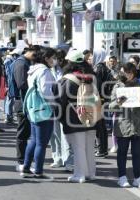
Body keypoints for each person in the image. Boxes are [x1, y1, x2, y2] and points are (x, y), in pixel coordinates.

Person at [53, 49, 97, 183]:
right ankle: (90, 173)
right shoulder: (93, 77)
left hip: (74, 118)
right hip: (92, 116)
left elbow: (59, 101)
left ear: (69, 62)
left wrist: (60, 118)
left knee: (78, 148)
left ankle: (79, 175)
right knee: (89, 147)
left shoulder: (67, 80)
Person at [109, 62, 140, 188]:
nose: (125, 75)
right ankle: (122, 177)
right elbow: (110, 106)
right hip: (123, 124)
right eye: (123, 72)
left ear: (133, 72)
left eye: (128, 72)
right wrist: (118, 102)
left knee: (137, 153)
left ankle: (138, 178)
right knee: (122, 152)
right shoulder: (118, 86)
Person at [20, 47, 56, 179]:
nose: (54, 60)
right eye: (53, 57)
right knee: (41, 143)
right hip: (44, 109)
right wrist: (54, 103)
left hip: (33, 109)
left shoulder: (33, 69)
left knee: (34, 140)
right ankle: (38, 171)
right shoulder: (44, 71)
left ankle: (26, 168)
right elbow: (45, 91)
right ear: (46, 58)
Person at [13, 47, 37, 171]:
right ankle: (21, 161)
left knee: (27, 133)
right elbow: (22, 84)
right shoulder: (21, 64)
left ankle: (24, 160)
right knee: (23, 133)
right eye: (35, 55)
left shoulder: (24, 62)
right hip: (22, 103)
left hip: (25, 102)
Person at [92, 48, 113, 157]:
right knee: (102, 125)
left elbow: (97, 85)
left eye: (93, 55)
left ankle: (101, 149)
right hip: (103, 98)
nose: (91, 57)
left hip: (99, 99)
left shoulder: (98, 68)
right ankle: (103, 148)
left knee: (99, 126)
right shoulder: (103, 67)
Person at [4, 49, 22, 125]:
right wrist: (8, 85)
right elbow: (8, 74)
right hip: (9, 82)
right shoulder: (8, 61)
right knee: (9, 99)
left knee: (10, 100)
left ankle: (9, 115)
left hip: (10, 82)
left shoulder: (11, 60)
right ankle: (8, 117)